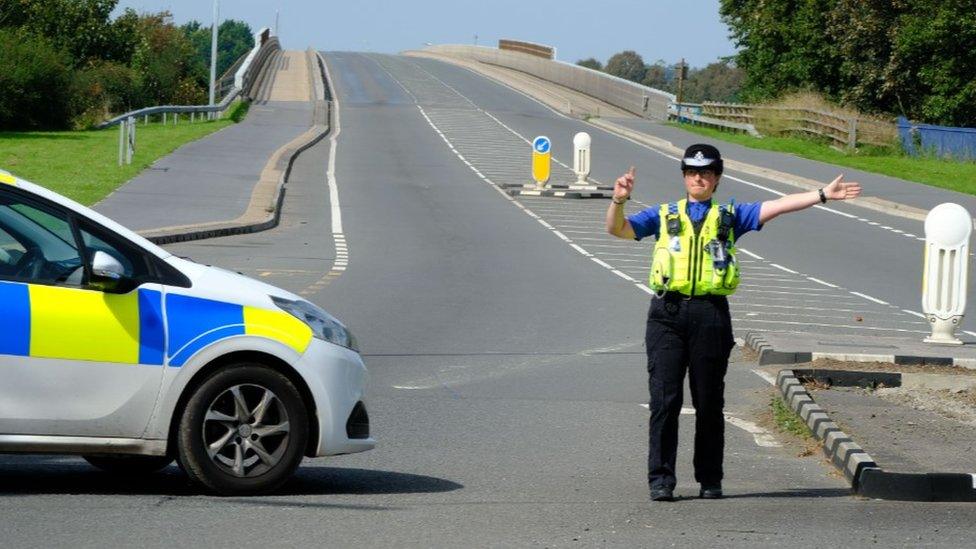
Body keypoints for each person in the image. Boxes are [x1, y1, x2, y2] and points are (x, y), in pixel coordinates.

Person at [605, 143, 861, 501]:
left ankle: (710, 479)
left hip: (710, 315)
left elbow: (777, 206)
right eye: (693, 172)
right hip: (668, 315)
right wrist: (618, 201)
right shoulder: (663, 215)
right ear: (684, 177)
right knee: (665, 399)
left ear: (717, 179)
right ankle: (661, 479)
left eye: (706, 172)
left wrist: (821, 194)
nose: (699, 178)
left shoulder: (730, 216)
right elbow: (617, 230)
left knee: (709, 401)